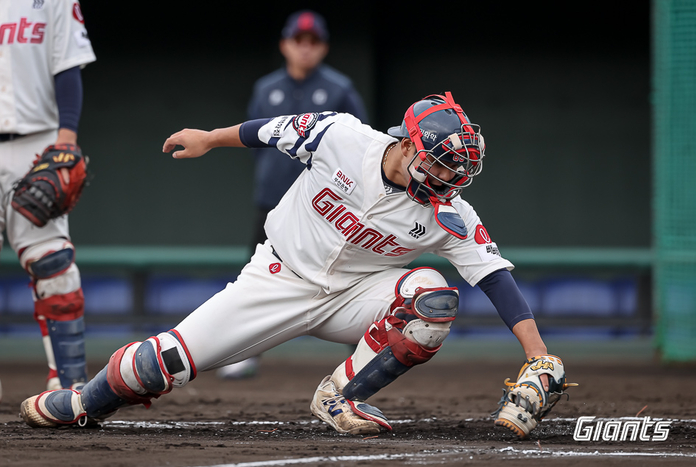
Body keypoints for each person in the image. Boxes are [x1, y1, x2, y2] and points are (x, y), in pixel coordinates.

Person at [20, 92, 575, 439]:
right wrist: (209, 139)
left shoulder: (449, 211)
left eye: (457, 169)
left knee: (432, 298)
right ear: (408, 145)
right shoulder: (341, 136)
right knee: (156, 364)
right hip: (278, 278)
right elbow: (266, 131)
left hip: (356, 296)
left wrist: (538, 355)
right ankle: (82, 402)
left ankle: (341, 397)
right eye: (441, 163)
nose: (450, 178)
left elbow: (494, 278)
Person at [218, 9, 367, 380]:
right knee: (256, 275)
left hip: (326, 206)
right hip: (273, 200)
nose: (305, 48)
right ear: (285, 45)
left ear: (323, 47)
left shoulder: (339, 88)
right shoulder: (266, 88)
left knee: (343, 274)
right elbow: (254, 142)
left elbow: (360, 143)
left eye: (313, 41)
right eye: (298, 40)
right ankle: (244, 353)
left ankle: (361, 359)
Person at [0, 0, 95, 392]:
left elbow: (67, 66)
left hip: (36, 142)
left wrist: (66, 138)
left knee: (55, 267)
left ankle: (69, 389)